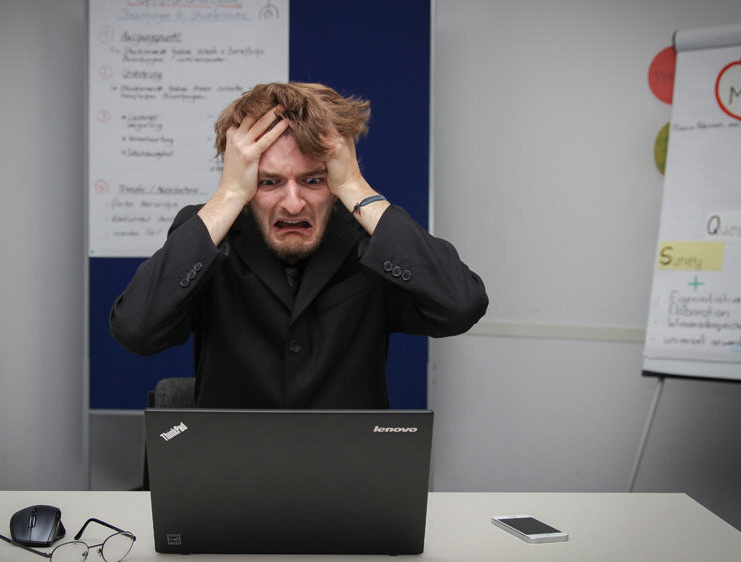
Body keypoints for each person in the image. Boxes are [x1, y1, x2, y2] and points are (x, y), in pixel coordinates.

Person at [110, 82, 487, 408]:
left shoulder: (368, 238)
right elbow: (136, 329)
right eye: (269, 182)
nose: (292, 203)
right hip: (232, 475)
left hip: (349, 474)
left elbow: (460, 305)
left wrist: (355, 188)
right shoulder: (212, 237)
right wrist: (228, 196)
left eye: (313, 180)